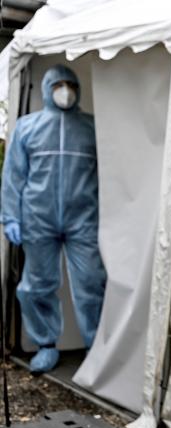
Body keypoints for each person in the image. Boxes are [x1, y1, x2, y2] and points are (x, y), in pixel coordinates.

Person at [0, 64, 106, 374]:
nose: (65, 90)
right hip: (38, 218)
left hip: (83, 218)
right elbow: (14, 177)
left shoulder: (92, 128)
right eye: (58, 84)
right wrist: (11, 217)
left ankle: (95, 347)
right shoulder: (27, 127)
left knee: (91, 283)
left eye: (70, 84)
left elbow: (107, 174)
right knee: (37, 285)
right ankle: (46, 344)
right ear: (47, 88)